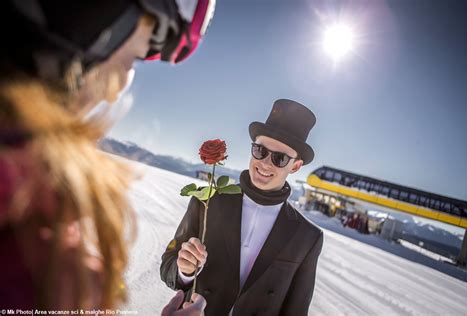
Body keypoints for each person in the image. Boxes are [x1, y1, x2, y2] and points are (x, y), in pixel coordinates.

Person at [0, 0, 215, 314]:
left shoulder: (29, 187)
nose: (117, 90)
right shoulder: (27, 239)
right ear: (84, 22)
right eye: (133, 57)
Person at [161, 99, 324, 315]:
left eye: (280, 158)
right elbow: (168, 265)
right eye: (260, 150)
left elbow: (296, 310)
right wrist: (185, 270)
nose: (265, 163)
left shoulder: (308, 237)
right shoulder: (208, 200)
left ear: (295, 166)